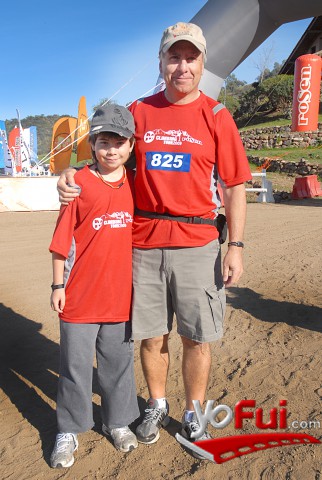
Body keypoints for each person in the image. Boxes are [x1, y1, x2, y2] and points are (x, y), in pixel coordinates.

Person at [57, 22, 252, 457]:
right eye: (174, 57)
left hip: (198, 242)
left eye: (191, 57)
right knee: (149, 336)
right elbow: (108, 158)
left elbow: (236, 185)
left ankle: (196, 415)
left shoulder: (217, 116)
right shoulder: (137, 111)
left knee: (197, 337)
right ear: (161, 61)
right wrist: (73, 173)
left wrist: (235, 245)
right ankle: (157, 406)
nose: (183, 66)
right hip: (142, 242)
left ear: (203, 63)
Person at [49, 103, 140, 469]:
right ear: (93, 144)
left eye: (119, 142)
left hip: (120, 296)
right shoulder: (78, 184)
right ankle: (68, 429)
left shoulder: (137, 183)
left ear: (130, 146)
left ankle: (117, 421)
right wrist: (58, 285)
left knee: (118, 364)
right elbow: (60, 241)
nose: (111, 150)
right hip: (80, 296)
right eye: (104, 142)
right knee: (74, 366)